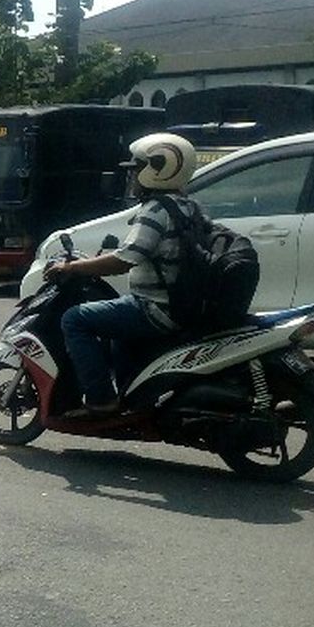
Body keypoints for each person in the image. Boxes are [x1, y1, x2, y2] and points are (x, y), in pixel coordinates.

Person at [43, 132, 201, 415]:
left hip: (155, 308)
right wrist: (95, 261)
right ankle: (130, 398)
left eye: (137, 170)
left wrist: (70, 267)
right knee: (115, 325)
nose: (132, 178)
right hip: (178, 306)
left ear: (158, 170)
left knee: (74, 319)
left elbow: (125, 260)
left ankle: (100, 399)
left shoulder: (155, 211)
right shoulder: (189, 206)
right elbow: (140, 251)